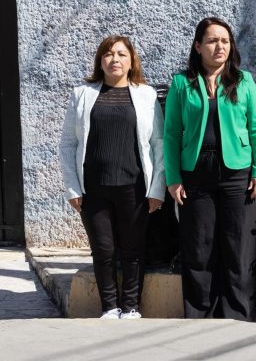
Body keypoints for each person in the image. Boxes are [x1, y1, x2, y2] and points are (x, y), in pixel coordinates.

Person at [164, 17, 256, 322]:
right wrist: (173, 179)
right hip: (196, 174)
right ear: (198, 46)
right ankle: (201, 316)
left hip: (237, 174)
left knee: (239, 246)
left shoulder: (244, 81)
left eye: (225, 40)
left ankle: (242, 315)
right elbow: (171, 134)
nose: (219, 46)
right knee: (199, 248)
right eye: (212, 40)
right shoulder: (181, 84)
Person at [59, 35, 165, 319]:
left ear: (131, 61)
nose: (114, 59)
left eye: (121, 54)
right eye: (108, 54)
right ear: (100, 61)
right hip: (93, 189)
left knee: (133, 250)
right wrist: (72, 188)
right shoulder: (82, 93)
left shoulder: (146, 94)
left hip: (134, 187)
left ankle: (131, 307)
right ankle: (109, 307)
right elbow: (68, 144)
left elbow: (159, 144)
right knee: (103, 250)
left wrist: (157, 189)